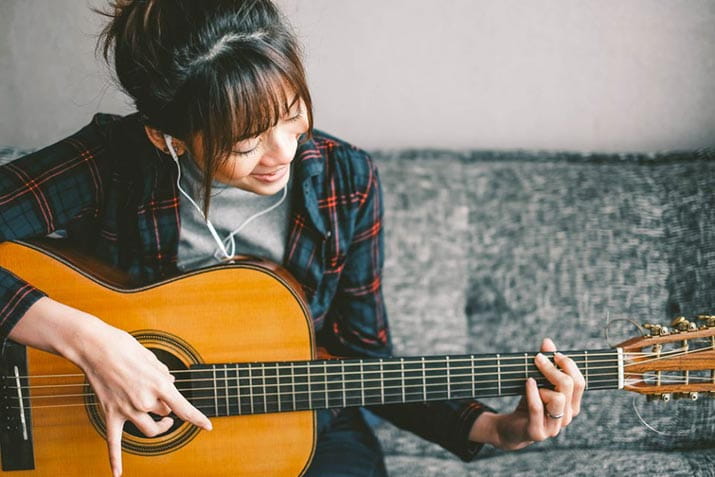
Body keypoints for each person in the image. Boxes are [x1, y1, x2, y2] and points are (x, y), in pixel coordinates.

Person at [0, 1, 585, 476]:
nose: (284, 152)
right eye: (245, 142)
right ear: (167, 136)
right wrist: (90, 342)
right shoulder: (114, 161)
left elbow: (363, 357)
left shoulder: (342, 178)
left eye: (291, 112)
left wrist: (496, 429)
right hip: (96, 436)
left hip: (302, 426)